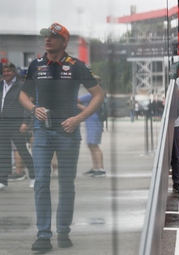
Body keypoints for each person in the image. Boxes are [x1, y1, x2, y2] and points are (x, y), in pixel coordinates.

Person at [19, 22, 104, 251]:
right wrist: (32, 108)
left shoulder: (77, 66)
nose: (48, 40)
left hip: (68, 132)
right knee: (41, 183)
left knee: (67, 184)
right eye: (46, 36)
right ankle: (44, 235)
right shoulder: (36, 64)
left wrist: (79, 118)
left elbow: (98, 95)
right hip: (42, 130)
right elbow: (23, 95)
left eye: (53, 37)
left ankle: (64, 231)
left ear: (64, 42)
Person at [0, 62, 35, 190]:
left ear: (14, 72)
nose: (6, 74)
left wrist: (25, 122)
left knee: (23, 151)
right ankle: (3, 180)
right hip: (2, 124)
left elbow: (26, 105)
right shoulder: (0, 85)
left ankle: (34, 177)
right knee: (3, 152)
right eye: (4, 71)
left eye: (8, 71)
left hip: (16, 123)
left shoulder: (21, 86)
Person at [79, 75, 106, 178]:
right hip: (91, 121)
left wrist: (80, 106)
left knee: (94, 145)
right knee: (91, 145)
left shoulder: (92, 94)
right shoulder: (94, 94)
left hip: (94, 121)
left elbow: (77, 100)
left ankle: (101, 168)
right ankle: (95, 167)